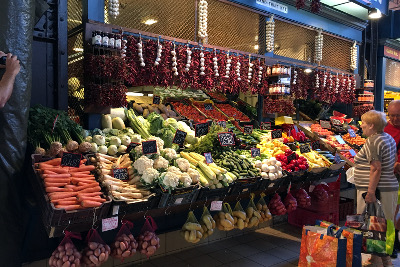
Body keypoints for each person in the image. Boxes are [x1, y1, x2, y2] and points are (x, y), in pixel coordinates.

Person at [354, 110, 399, 267]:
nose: (362, 125)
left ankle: (384, 262)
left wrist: (371, 192)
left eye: (364, 123)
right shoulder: (387, 137)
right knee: (381, 224)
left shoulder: (373, 141)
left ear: (372, 125)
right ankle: (377, 259)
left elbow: (376, 168)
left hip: (378, 190)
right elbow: (392, 160)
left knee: (375, 225)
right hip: (388, 187)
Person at [384, 100, 400, 258]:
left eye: (398, 116)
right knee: (392, 210)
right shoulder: (384, 128)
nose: (395, 119)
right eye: (392, 116)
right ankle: (392, 243)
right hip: (392, 176)